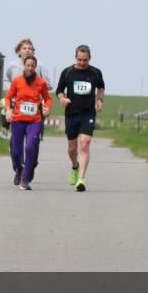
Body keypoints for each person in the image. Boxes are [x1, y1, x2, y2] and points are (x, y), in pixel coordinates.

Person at [55, 45, 105, 192]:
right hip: (71, 114)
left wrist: (100, 100)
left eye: (85, 60)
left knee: (85, 144)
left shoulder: (95, 72)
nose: (82, 63)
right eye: (79, 59)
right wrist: (62, 99)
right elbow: (59, 90)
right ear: (75, 57)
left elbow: (101, 87)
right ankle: (75, 166)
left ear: (90, 58)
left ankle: (81, 179)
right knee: (72, 148)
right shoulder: (68, 72)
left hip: (88, 114)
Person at [3, 55, 52, 190]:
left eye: (32, 66)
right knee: (16, 152)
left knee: (30, 148)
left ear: (35, 67)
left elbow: (48, 98)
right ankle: (19, 169)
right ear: (24, 66)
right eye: (27, 65)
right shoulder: (17, 81)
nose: (30, 68)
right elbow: (8, 98)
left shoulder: (41, 83)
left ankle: (25, 179)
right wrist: (8, 110)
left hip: (34, 122)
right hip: (18, 121)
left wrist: (47, 108)